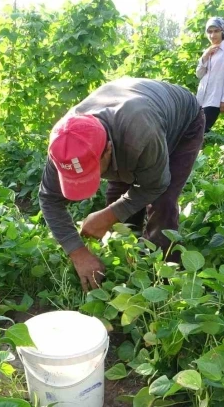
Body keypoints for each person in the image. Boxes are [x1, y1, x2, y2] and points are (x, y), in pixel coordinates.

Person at [39, 77, 205, 291]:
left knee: (162, 203)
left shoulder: (142, 134)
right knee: (117, 203)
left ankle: (164, 280)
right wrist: (77, 252)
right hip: (128, 122)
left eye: (93, 171)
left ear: (108, 149)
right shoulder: (66, 145)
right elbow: (49, 198)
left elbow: (155, 186)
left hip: (182, 123)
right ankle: (128, 262)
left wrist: (108, 217)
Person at [196, 17, 224, 133]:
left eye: (216, 31)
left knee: (201, 129)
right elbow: (199, 74)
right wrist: (205, 56)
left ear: (223, 31)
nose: (212, 35)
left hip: (215, 98)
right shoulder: (209, 50)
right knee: (195, 129)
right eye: (209, 32)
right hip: (201, 97)